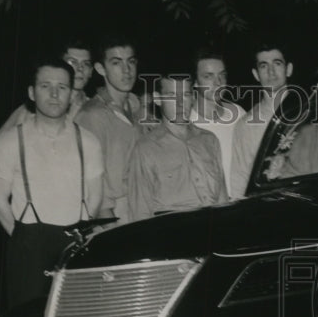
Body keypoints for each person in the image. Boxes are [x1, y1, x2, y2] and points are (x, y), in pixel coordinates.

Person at [0, 56, 105, 307]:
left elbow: (96, 196)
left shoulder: (88, 142)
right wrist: (22, 239)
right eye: (45, 86)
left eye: (62, 87)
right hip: (28, 247)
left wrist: (78, 236)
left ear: (71, 94)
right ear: (32, 92)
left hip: (74, 247)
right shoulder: (10, 141)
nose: (54, 94)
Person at [229, 42, 318, 198]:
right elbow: (239, 181)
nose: (271, 71)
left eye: (277, 63)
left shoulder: (309, 116)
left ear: (288, 69)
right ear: (256, 74)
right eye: (263, 66)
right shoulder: (245, 125)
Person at [128, 75, 227, 220]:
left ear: (193, 97)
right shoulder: (146, 148)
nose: (180, 103)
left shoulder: (209, 140)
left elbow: (223, 201)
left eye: (186, 95)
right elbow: (140, 212)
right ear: (158, 99)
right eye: (171, 96)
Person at [75, 35, 143, 223]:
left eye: (131, 62)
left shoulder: (138, 108)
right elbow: (91, 184)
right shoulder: (92, 115)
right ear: (100, 68)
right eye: (116, 63)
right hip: (114, 215)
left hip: (144, 208)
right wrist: (110, 226)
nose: (126, 70)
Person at [0, 38, 94, 151]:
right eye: (72, 62)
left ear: (91, 71)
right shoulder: (37, 105)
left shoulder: (94, 109)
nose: (80, 68)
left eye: (86, 64)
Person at [189, 48, 245, 199]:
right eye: (208, 76)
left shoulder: (239, 114)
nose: (218, 83)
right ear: (195, 82)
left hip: (243, 202)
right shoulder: (188, 123)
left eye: (222, 75)